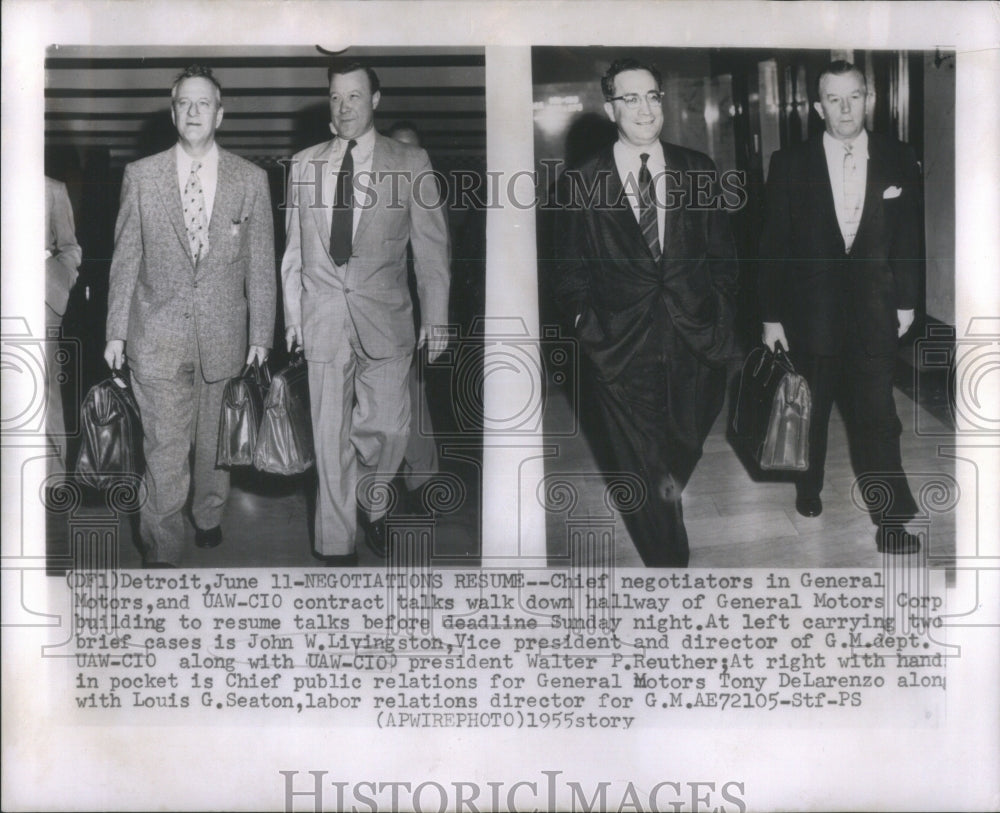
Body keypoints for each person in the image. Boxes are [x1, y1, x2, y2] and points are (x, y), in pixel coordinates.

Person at [554, 58, 739, 567]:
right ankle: (668, 557)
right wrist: (583, 324)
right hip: (616, 341)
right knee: (638, 459)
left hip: (694, 334)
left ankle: (665, 489)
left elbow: (724, 254)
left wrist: (721, 313)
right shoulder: (579, 181)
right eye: (630, 98)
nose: (644, 108)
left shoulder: (697, 168)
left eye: (652, 96)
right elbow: (568, 270)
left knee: (683, 440)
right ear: (611, 107)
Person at [104, 65, 276, 567]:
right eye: (185, 103)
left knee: (214, 448)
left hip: (224, 335)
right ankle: (161, 550)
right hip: (155, 334)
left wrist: (261, 334)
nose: (194, 111)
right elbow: (125, 259)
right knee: (163, 449)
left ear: (220, 114)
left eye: (204, 103)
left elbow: (261, 262)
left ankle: (209, 512)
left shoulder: (251, 179)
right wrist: (115, 330)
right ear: (173, 111)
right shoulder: (142, 175)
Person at [281, 62, 450, 565]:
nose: (344, 107)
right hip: (323, 316)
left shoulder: (411, 160)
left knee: (389, 427)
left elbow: (432, 247)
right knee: (328, 435)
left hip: (388, 316)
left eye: (354, 96)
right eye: (335, 98)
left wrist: (436, 315)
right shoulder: (303, 164)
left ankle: (372, 504)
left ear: (375, 99)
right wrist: (293, 317)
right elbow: (294, 250)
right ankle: (336, 542)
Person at [758, 60, 922, 555]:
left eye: (854, 96)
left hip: (875, 310)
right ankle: (808, 487)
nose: (846, 108)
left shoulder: (897, 156)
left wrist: (909, 301)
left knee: (877, 418)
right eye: (834, 99)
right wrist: (770, 316)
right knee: (813, 411)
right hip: (811, 314)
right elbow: (772, 246)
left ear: (867, 98)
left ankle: (891, 520)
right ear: (817, 106)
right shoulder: (790, 163)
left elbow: (910, 236)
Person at [386, 120, 441, 506]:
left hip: (415, 324)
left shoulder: (429, 202)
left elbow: (438, 265)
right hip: (380, 321)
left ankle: (422, 483)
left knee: (413, 403)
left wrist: (434, 321)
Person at [45, 175, 82, 475]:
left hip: (42, 298)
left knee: (45, 387)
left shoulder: (53, 189)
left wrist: (61, 281)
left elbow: (70, 248)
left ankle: (53, 480)